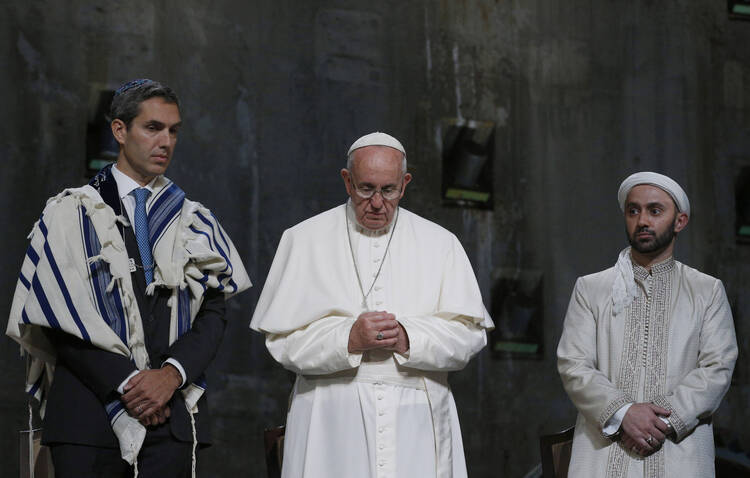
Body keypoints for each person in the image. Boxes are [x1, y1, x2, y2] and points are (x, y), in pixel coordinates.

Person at [6, 79, 251, 477]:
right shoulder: (71, 213)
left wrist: (169, 376)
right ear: (119, 130)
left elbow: (214, 312)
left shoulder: (194, 220)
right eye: (153, 128)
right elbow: (58, 316)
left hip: (172, 417)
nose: (166, 141)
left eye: (174, 130)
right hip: (89, 418)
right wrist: (132, 386)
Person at [250, 132, 494, 478]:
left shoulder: (441, 244)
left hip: (417, 422)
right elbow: (281, 341)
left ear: (405, 184)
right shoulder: (304, 239)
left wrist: (407, 338)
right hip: (329, 421)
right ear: (346, 181)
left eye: (389, 190)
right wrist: (347, 339)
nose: (377, 202)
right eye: (366, 189)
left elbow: (470, 336)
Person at [557, 172, 737, 478]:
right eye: (633, 210)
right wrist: (624, 412)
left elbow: (717, 368)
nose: (642, 220)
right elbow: (574, 364)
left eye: (655, 211)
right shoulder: (592, 288)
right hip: (602, 457)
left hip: (681, 456)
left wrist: (659, 421)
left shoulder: (706, 291)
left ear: (680, 221)